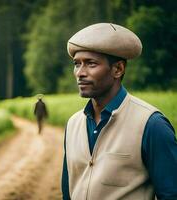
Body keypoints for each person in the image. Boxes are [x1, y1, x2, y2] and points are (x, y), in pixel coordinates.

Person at [62, 23, 177, 200]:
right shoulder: (73, 124)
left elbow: (171, 194)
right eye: (77, 64)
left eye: (91, 64)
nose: (80, 73)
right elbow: (67, 191)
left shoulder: (151, 125)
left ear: (118, 69)